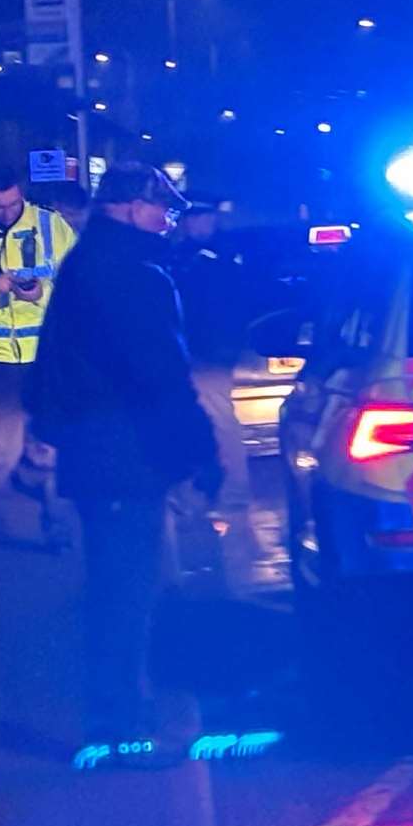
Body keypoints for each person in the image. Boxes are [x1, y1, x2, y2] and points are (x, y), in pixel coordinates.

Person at [26, 163, 221, 756]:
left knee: (116, 584)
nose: (169, 219)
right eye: (161, 208)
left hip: (95, 453)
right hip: (127, 453)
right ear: (130, 207)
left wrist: (50, 430)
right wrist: (200, 450)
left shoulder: (85, 263)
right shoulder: (136, 273)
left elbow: (53, 362)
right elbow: (162, 372)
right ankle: (119, 720)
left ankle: (117, 711)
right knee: (128, 590)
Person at [0, 166, 80, 547]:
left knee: (51, 448)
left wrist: (42, 291)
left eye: (13, 204)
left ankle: (58, 530)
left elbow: (75, 282)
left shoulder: (50, 225)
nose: (7, 213)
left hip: (43, 355)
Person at [170, 201, 262, 592]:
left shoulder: (223, 255)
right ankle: (206, 491)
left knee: (220, 421)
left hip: (211, 352)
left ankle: (231, 494)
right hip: (188, 350)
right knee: (195, 423)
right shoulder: (182, 255)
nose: (197, 223)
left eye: (202, 217)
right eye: (192, 217)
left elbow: (230, 304)